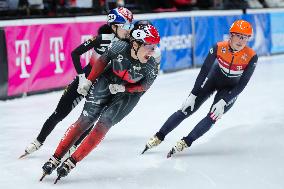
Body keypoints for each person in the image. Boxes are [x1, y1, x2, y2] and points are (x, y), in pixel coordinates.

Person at [40, 23, 161, 183]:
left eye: (155, 46)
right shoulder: (118, 46)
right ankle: (55, 158)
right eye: (149, 46)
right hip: (107, 79)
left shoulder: (152, 65)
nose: (153, 51)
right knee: (85, 119)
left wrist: (123, 89)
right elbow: (102, 61)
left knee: (103, 124)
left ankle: (72, 162)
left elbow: (143, 87)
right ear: (136, 43)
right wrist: (89, 81)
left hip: (129, 94)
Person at [19, 7, 134, 159]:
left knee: (90, 118)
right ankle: (38, 141)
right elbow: (75, 53)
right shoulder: (102, 38)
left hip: (101, 85)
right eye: (125, 26)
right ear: (114, 26)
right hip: (85, 80)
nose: (128, 30)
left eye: (130, 26)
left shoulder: (129, 45)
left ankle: (74, 145)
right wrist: (81, 77)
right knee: (59, 113)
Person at [142, 19, 258, 158]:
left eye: (245, 37)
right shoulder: (218, 47)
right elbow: (204, 71)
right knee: (186, 108)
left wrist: (225, 100)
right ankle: (159, 136)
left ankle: (186, 141)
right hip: (214, 79)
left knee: (213, 115)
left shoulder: (251, 56)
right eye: (239, 36)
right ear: (231, 35)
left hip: (230, 89)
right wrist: (193, 94)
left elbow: (242, 84)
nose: (241, 40)